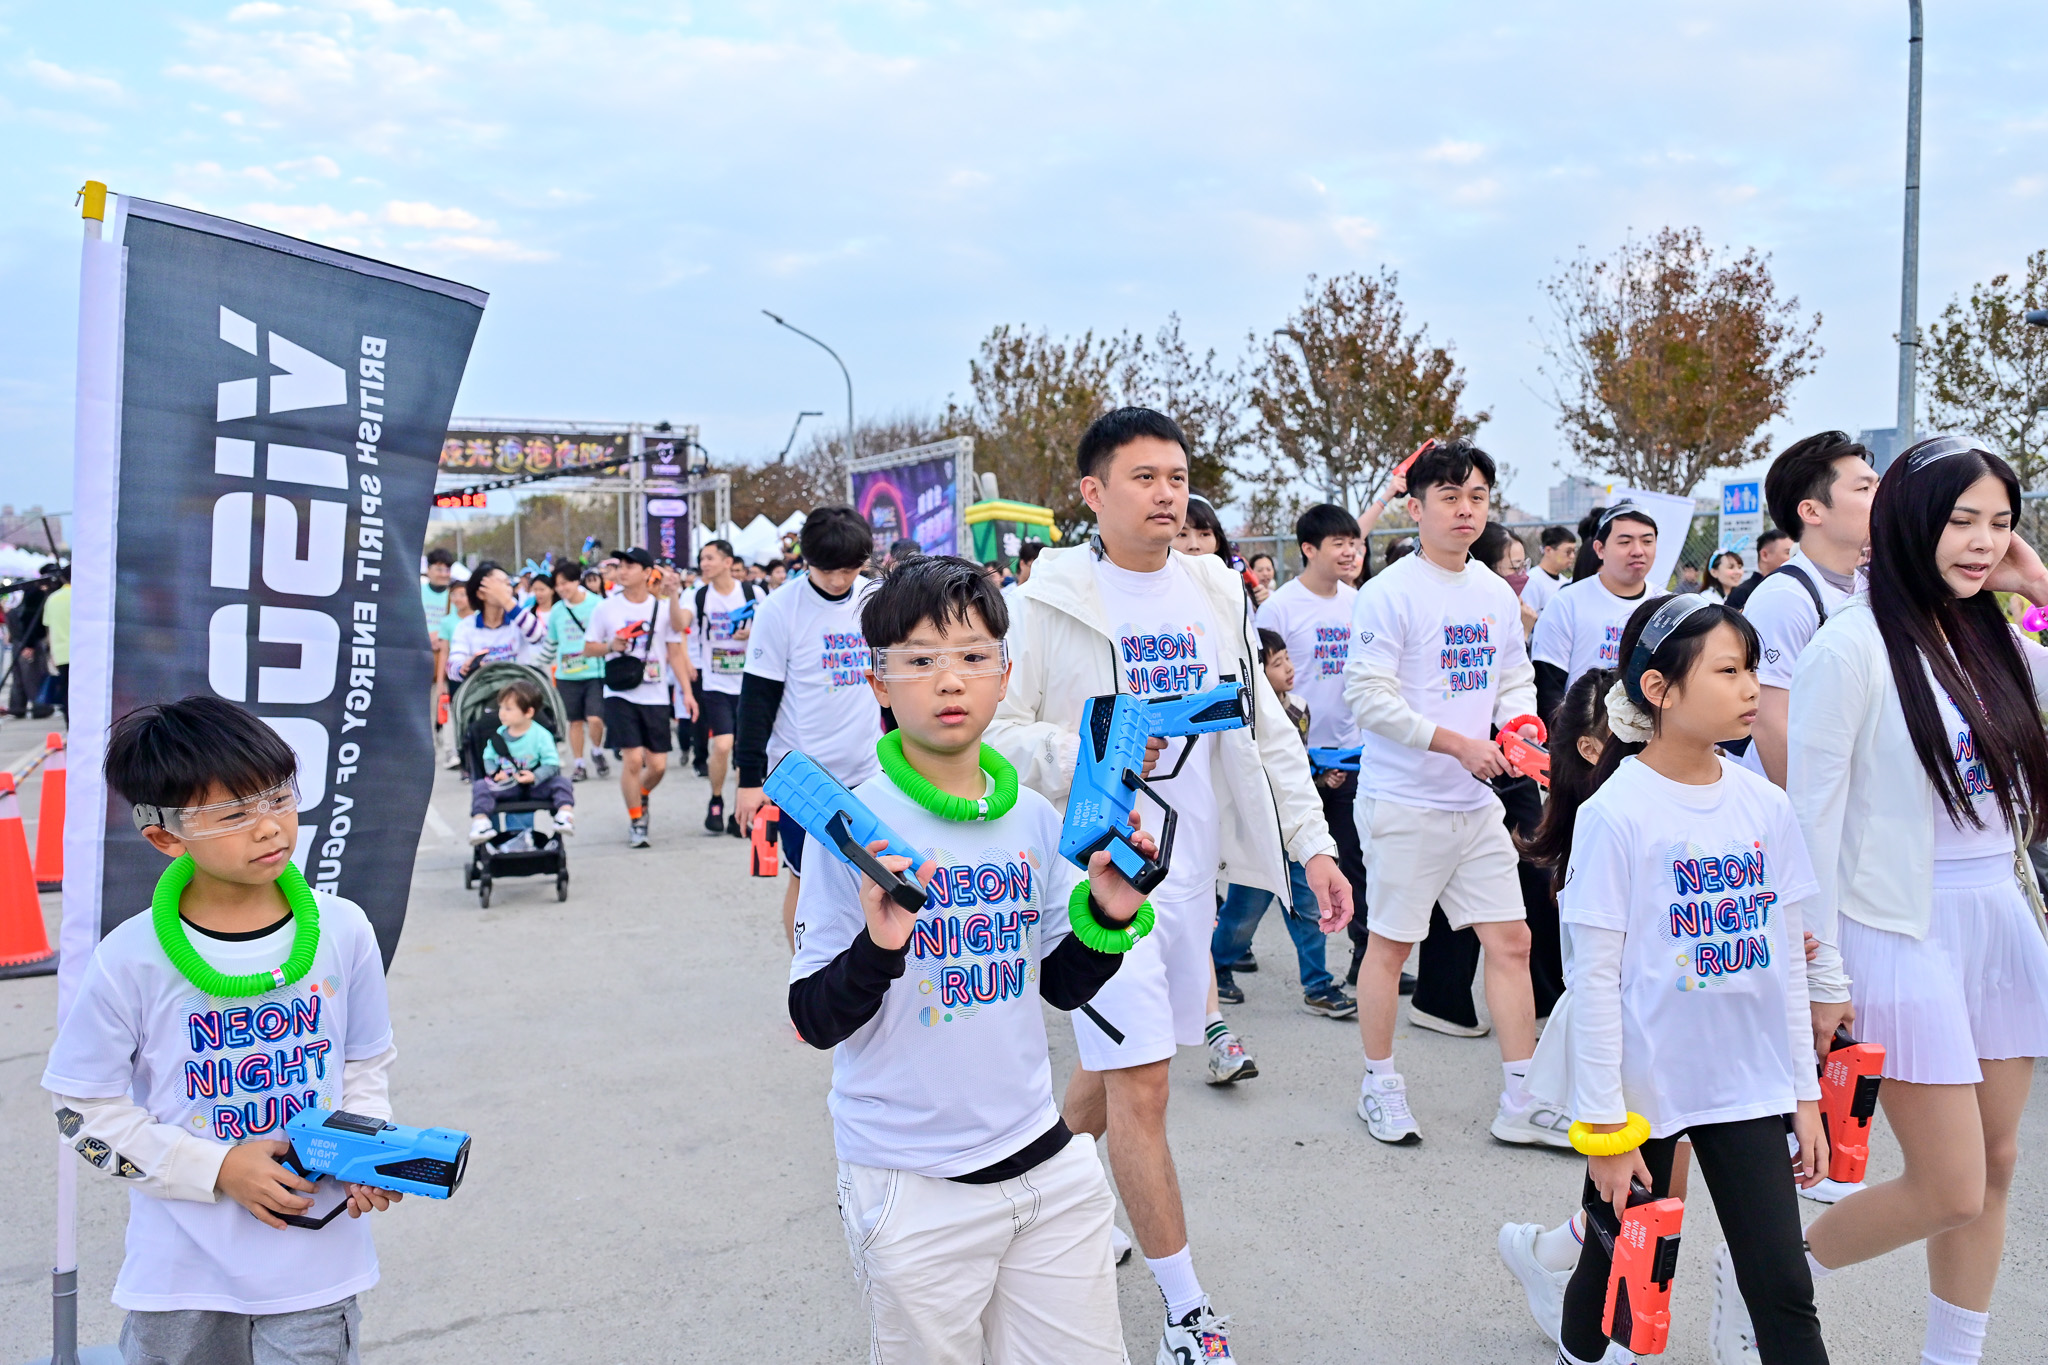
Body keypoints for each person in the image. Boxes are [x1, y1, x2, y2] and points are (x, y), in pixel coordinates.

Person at [987, 406, 1349, 1361]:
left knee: (1110, 1075)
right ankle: (1187, 1314)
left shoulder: (1216, 590)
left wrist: (1312, 846)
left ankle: (1023, 1200)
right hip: (1098, 887)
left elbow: (1266, 730)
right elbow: (996, 734)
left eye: (1178, 477)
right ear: (1093, 492)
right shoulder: (1045, 602)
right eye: (1143, 477)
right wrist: (1094, 748)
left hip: (1191, 882)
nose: (1166, 494)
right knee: (1144, 1086)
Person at [790, 556, 1153, 1365]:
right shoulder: (854, 829)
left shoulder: (1032, 818)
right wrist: (880, 945)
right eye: (919, 658)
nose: (949, 679)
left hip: (1046, 1162)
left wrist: (1108, 911)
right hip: (912, 1183)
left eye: (972, 655)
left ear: (1004, 675)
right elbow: (813, 1017)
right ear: (878, 681)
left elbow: (1059, 984)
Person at [1773, 436, 2048, 1365]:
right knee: (1950, 1185)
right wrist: (1822, 973)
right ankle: (1773, 1274)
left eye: (2000, 524)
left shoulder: (1992, 637)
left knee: (1997, 1163)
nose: (1983, 542)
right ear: (1910, 522)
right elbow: (1809, 823)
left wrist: (2036, 585)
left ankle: (1951, 1356)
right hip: (1897, 925)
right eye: (1962, 520)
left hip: (1995, 918)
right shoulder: (1850, 645)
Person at [43, 696, 400, 1365]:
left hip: (316, 1269)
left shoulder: (344, 927)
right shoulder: (131, 957)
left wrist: (364, 1151)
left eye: (278, 797)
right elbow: (79, 1113)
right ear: (166, 837)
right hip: (181, 1278)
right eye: (234, 813)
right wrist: (217, 1168)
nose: (269, 827)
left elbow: (364, 1064)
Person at [1532, 594, 1834, 1365]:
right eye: (1727, 671)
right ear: (1659, 689)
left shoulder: (1766, 805)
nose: (1750, 688)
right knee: (1616, 1281)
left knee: (1785, 1290)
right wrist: (1606, 1130)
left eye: (1753, 669)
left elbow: (1786, 968)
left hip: (1748, 1087)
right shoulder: (1617, 813)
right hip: (1644, 1093)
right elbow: (1594, 982)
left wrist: (1803, 1094)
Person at [1342, 439, 1550, 1146]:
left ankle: (1521, 1096)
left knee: (1512, 941)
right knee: (1391, 948)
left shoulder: (1493, 591)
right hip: (1404, 802)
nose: (1466, 510)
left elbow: (1513, 674)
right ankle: (1379, 1084)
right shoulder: (1389, 592)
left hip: (1475, 804)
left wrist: (1519, 725)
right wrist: (1458, 744)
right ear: (1416, 508)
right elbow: (1369, 698)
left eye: (1478, 497)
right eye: (1451, 497)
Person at [735, 507, 882, 950]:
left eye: (849, 569)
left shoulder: (875, 598)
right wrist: (748, 780)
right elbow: (756, 700)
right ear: (806, 560)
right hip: (804, 778)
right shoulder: (780, 609)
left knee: (875, 880)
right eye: (828, 570)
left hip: (868, 769)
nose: (839, 580)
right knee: (806, 880)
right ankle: (806, 978)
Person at [1255, 503, 1373, 987]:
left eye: (1354, 543)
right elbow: (1262, 685)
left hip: (1352, 755)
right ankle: (1229, 952)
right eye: (1338, 543)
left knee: (1356, 861)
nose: (1350, 552)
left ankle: (1366, 956)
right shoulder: (1279, 608)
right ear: (1308, 549)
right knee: (1285, 872)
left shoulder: (1360, 602)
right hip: (1296, 761)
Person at [1210, 630, 1356, 1017]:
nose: (1289, 668)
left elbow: (1294, 766)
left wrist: (1323, 779)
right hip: (1257, 835)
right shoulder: (1239, 714)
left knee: (1310, 909)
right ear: (1256, 671)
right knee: (1242, 915)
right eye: (1277, 664)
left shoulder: (1299, 708)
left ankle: (1318, 985)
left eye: (1288, 659)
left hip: (1295, 835)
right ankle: (1217, 966)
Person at [1740, 432, 1879, 787]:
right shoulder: (1784, 598)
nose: (1881, 498)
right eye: (1864, 489)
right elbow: (1769, 723)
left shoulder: (1870, 586)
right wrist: (1813, 812)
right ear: (1812, 511)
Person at [584, 547, 692, 848]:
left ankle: (640, 794)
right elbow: (589, 647)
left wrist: (686, 692)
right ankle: (637, 821)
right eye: (621, 565)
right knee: (632, 759)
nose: (623, 570)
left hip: (655, 694)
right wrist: (611, 646)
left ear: (647, 573)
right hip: (620, 692)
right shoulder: (606, 608)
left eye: (630, 566)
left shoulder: (660, 609)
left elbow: (675, 652)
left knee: (657, 765)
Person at [1532, 502, 1658, 721]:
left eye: (1647, 541)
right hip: (1583, 733)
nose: (1638, 551)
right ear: (1600, 549)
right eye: (1625, 542)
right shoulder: (1567, 602)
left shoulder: (1668, 605)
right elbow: (1548, 688)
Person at [692, 539, 759, 834]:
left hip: (749, 683)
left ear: (728, 562)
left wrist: (751, 633)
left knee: (745, 749)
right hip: (715, 683)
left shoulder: (752, 593)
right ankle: (716, 798)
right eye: (702, 559)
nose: (704, 564)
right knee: (722, 744)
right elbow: (681, 625)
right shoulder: (699, 595)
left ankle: (738, 813)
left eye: (709, 558)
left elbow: (769, 629)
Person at [469, 678, 574, 843]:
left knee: (562, 783)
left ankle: (565, 814)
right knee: (481, 786)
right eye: (501, 707)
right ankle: (481, 821)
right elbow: (488, 757)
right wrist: (495, 773)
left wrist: (535, 776)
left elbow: (551, 762)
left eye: (508, 709)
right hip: (507, 784)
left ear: (528, 712)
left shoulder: (541, 735)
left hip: (534, 784)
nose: (501, 713)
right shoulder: (499, 735)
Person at [547, 560, 611, 782]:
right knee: (574, 722)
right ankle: (579, 764)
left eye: (565, 583)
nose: (561, 588)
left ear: (576, 581)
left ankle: (596, 750)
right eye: (557, 585)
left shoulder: (597, 604)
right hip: (567, 675)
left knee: (595, 719)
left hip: (594, 673)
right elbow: (551, 643)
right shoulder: (557, 611)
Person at [446, 561, 548, 681]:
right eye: (499, 585)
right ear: (481, 594)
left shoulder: (519, 619)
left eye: (508, 584)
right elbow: (453, 665)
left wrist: (506, 601)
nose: (507, 589)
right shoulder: (466, 627)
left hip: (519, 688)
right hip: (484, 689)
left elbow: (538, 636)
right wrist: (463, 668)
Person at [1725, 528, 1792, 611]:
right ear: (1765, 555)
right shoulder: (1742, 593)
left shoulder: (1790, 588)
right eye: (1788, 553)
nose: (1793, 558)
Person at [1520, 525, 1578, 617]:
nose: (1572, 556)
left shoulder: (1565, 582)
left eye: (1574, 551)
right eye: (1568, 552)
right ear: (1548, 550)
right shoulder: (1532, 580)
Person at [42, 563, 71, 722]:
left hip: (60, 653)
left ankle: (69, 724)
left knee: (66, 690)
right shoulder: (85, 597)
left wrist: (51, 652)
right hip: (85, 653)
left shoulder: (52, 599)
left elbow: (49, 629)